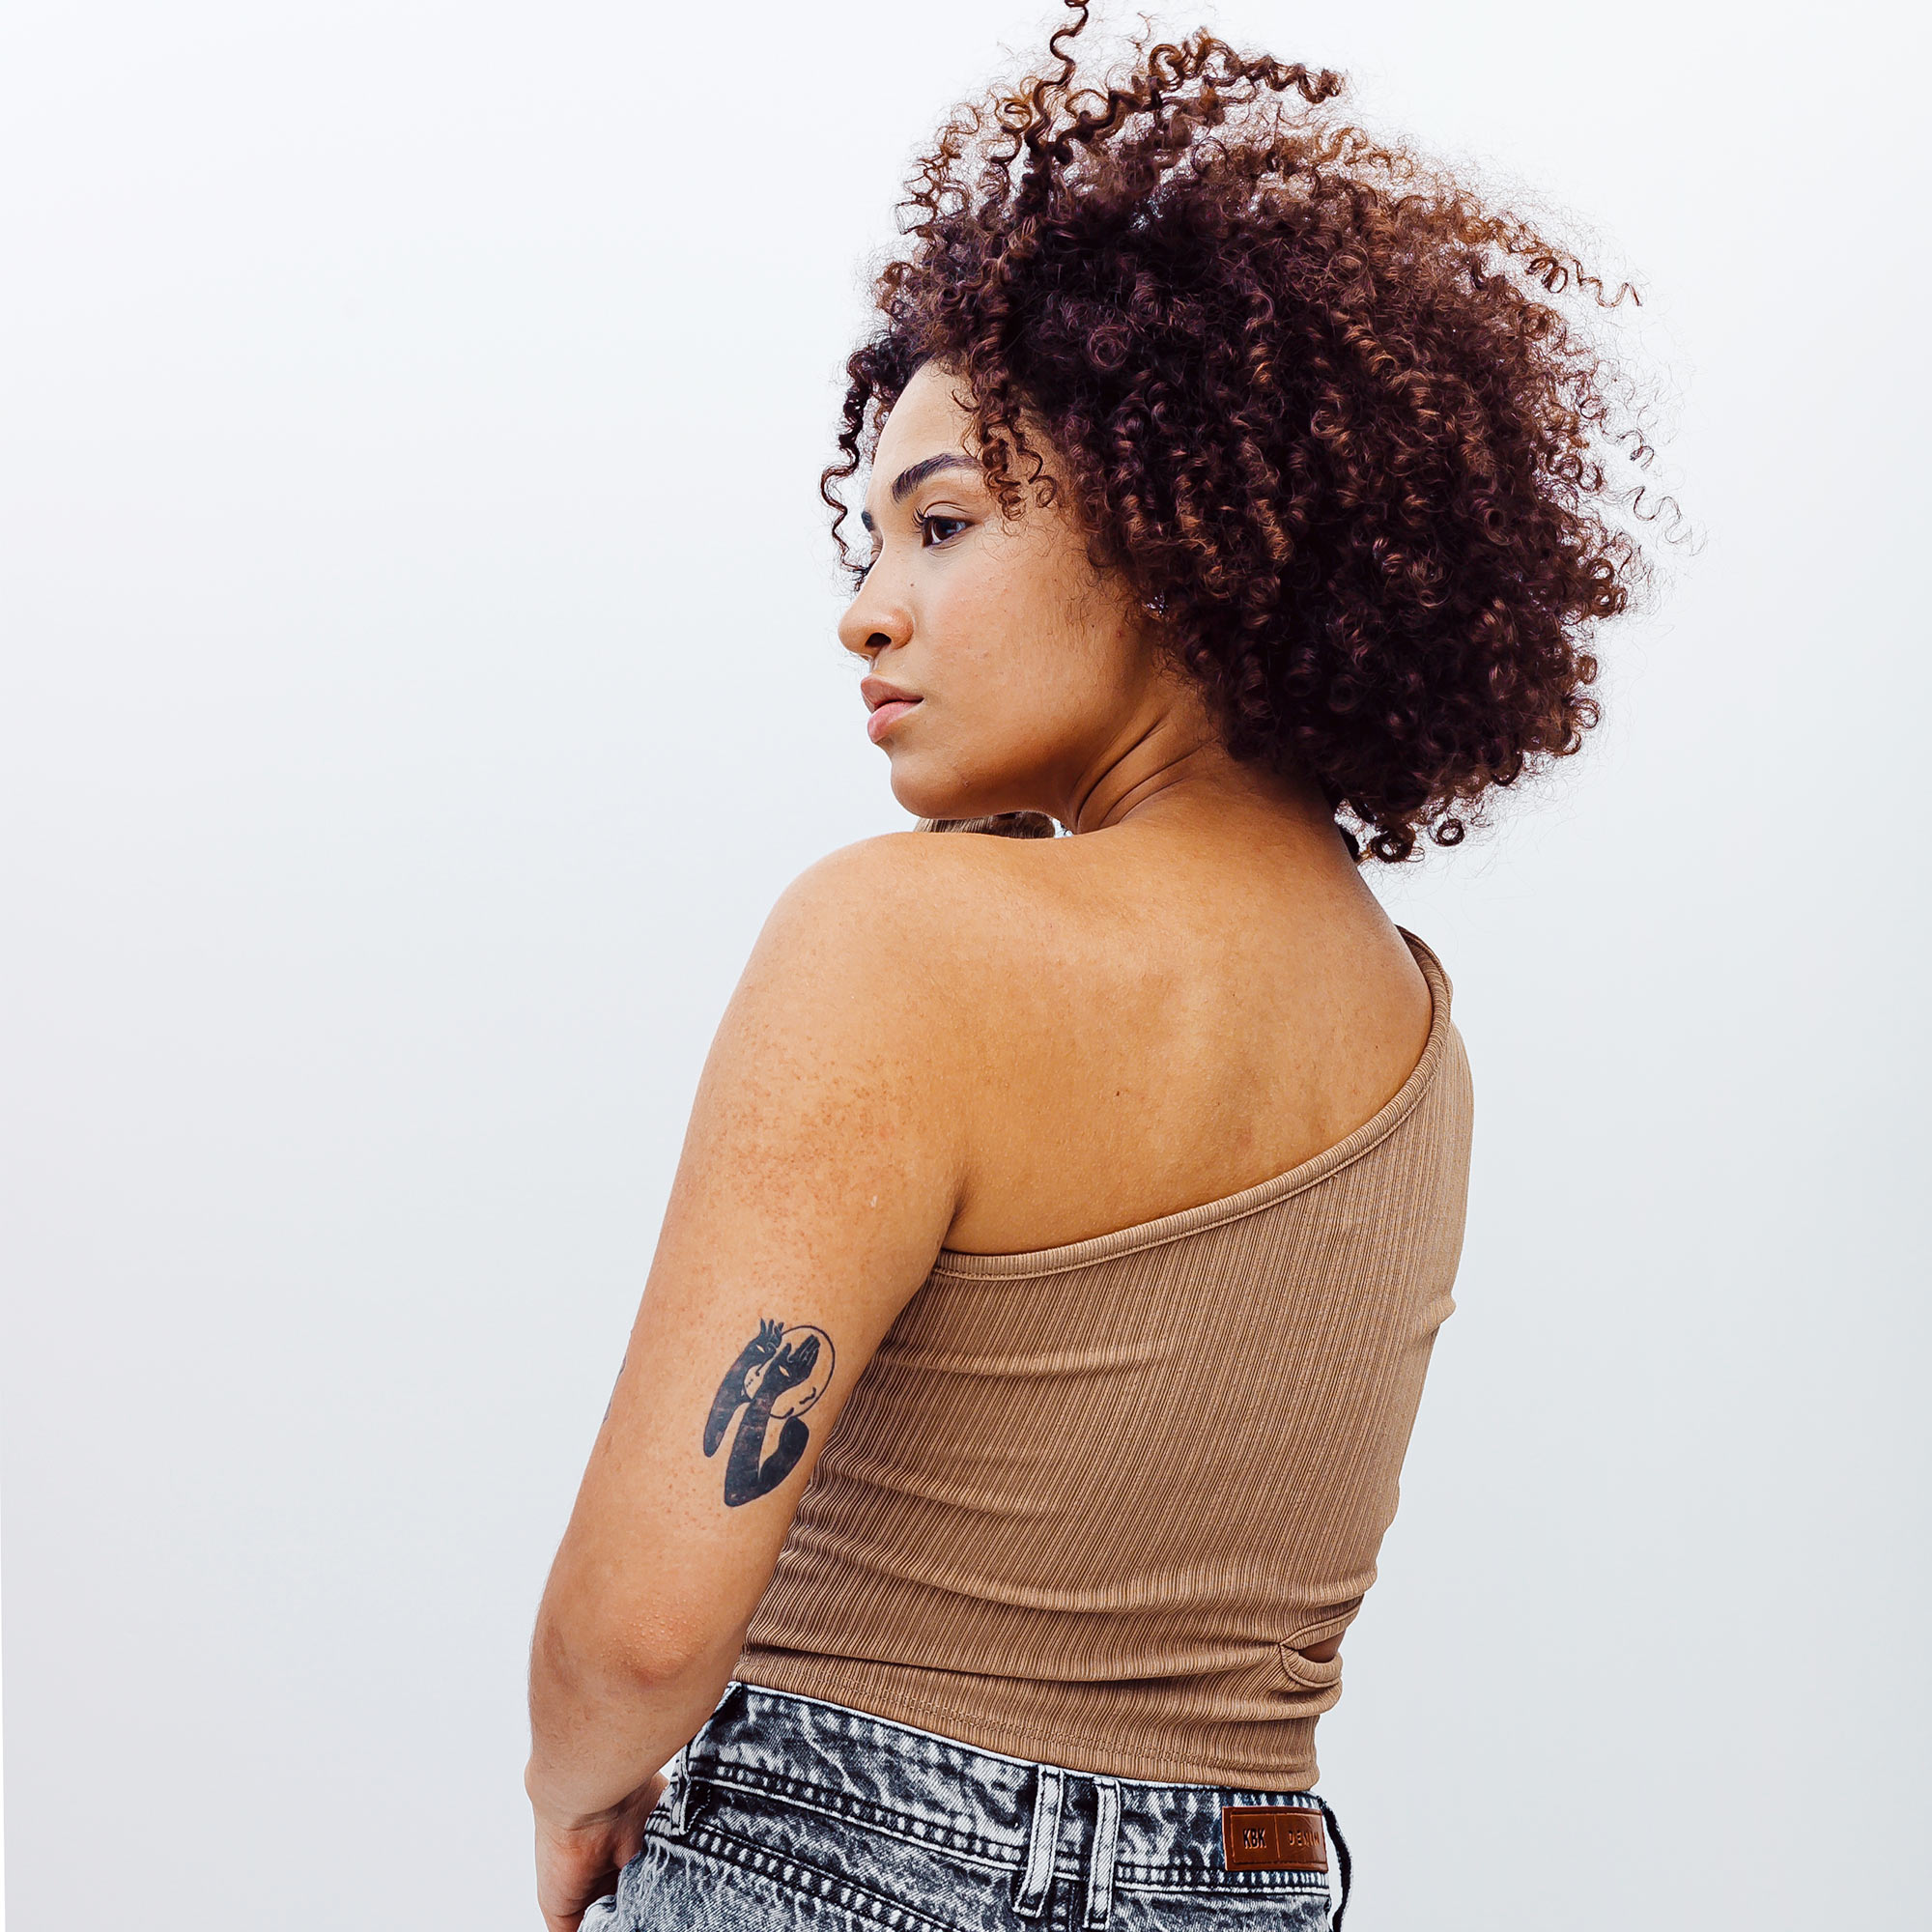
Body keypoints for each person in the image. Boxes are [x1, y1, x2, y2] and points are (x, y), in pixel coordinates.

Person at [525, 5, 1656, 1926]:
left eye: (941, 525)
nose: (865, 611)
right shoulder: (1415, 1037)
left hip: (839, 1846)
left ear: (1168, 528)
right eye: (867, 541)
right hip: (1253, 1870)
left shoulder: (902, 937)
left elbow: (641, 1628)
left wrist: (579, 1794)